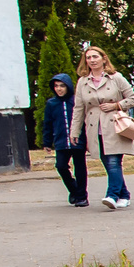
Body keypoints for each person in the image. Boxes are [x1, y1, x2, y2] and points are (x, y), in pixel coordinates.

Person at [73, 44, 134, 211]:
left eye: (95, 57)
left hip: (115, 126)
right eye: (88, 57)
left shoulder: (115, 77)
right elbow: (78, 108)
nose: (92, 60)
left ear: (104, 59)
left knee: (113, 162)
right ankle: (124, 195)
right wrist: (74, 131)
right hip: (94, 128)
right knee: (108, 163)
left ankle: (112, 195)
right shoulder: (83, 82)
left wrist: (116, 105)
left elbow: (133, 98)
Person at [42, 72, 86, 207]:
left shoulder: (76, 101)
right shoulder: (51, 104)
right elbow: (48, 124)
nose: (59, 89)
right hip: (61, 141)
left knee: (80, 168)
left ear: (68, 87)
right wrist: (47, 142)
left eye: (62, 86)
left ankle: (82, 196)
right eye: (56, 86)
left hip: (77, 140)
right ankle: (74, 189)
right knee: (61, 166)